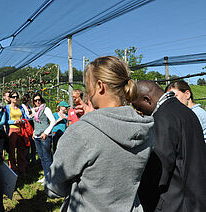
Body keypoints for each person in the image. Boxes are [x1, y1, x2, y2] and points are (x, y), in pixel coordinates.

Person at [45, 56, 154, 211]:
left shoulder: (82, 132)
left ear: (100, 86)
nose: (87, 93)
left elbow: (53, 186)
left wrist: (90, 121)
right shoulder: (145, 128)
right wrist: (93, 117)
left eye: (87, 86)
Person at [132, 80, 206, 212]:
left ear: (147, 99)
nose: (140, 112)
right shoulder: (187, 112)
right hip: (195, 199)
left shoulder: (163, 118)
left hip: (176, 202)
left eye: (139, 107)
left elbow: (159, 171)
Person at [32, 93, 56, 181]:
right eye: (35, 100)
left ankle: (50, 177)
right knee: (41, 157)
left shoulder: (46, 109)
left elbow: (53, 121)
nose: (37, 102)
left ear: (41, 100)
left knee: (47, 157)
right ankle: (46, 175)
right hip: (37, 136)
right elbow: (34, 122)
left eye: (39, 100)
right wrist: (34, 132)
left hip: (44, 136)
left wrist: (46, 132)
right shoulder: (35, 110)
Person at [5, 91, 27, 174]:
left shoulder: (21, 107)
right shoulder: (7, 108)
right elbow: (5, 121)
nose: (15, 98)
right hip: (12, 130)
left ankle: (22, 168)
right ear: (10, 98)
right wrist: (14, 121)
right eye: (13, 97)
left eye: (16, 96)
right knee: (12, 151)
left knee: (21, 150)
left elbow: (25, 119)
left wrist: (22, 121)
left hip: (21, 130)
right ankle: (13, 169)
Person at [21, 93, 36, 165]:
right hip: (27, 126)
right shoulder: (23, 107)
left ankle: (33, 159)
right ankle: (27, 160)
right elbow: (26, 117)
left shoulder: (29, 107)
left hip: (32, 125)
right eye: (30, 98)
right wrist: (32, 116)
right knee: (27, 142)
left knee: (33, 142)